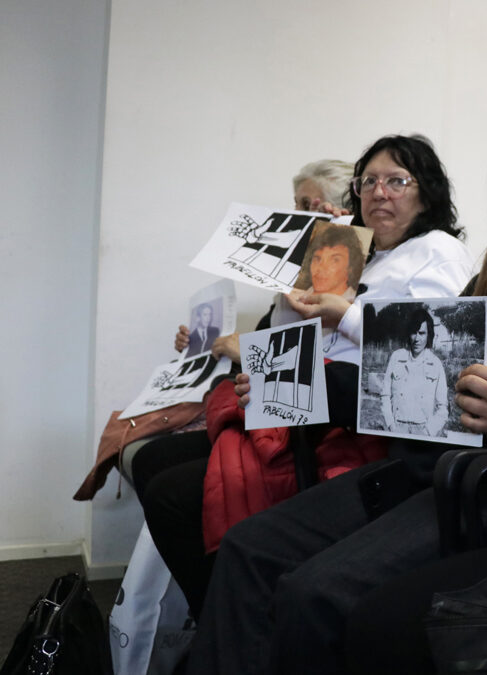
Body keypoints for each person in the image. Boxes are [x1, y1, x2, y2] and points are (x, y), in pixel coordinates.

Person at [186, 105, 487, 675]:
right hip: (415, 466)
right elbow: (398, 382)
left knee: (313, 595)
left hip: (481, 489)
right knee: (246, 547)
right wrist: (282, 377)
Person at [131, 159, 355, 620]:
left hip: (308, 420)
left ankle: (218, 617)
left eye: (309, 205)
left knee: (170, 486)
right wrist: (207, 345)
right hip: (261, 404)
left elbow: (308, 354)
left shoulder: (348, 272)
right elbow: (269, 340)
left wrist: (243, 349)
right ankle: (209, 614)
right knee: (150, 460)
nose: (298, 213)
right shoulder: (293, 277)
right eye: (296, 204)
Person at [381, 307, 448, 436]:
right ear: (408, 334)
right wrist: (391, 425)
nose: (417, 339)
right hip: (397, 427)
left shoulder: (436, 364)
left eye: (422, 333)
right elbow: (385, 395)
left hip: (423, 431)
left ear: (429, 335)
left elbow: (443, 408)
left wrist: (428, 432)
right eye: (413, 332)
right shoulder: (396, 357)